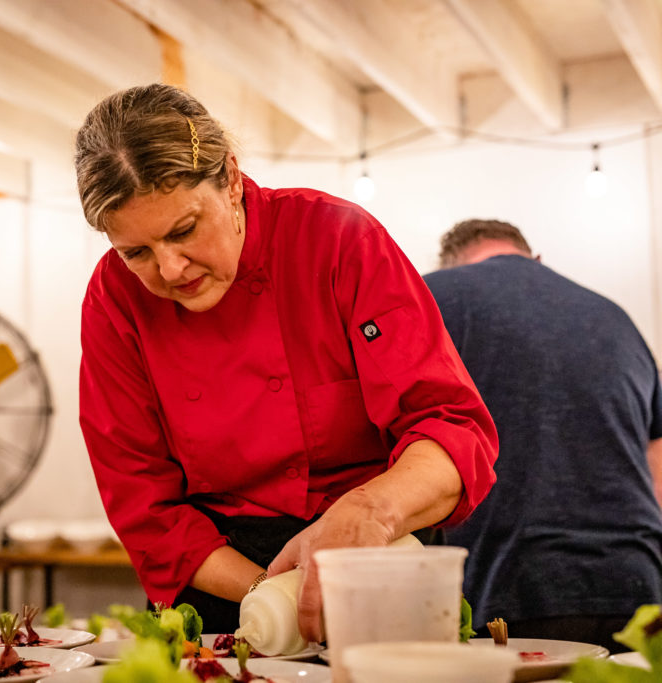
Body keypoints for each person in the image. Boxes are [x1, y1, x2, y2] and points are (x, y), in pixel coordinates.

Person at [74, 83, 498, 641]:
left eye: (184, 231)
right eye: (137, 253)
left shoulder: (337, 241)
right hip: (223, 586)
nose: (171, 269)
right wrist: (271, 597)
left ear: (228, 180)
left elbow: (452, 431)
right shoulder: (114, 302)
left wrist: (374, 509)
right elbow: (142, 504)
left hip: (378, 556)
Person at [424, 219, 662, 651]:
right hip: (638, 588)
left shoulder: (435, 295)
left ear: (451, 264)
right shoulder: (615, 315)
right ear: (535, 259)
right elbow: (657, 466)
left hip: (508, 592)